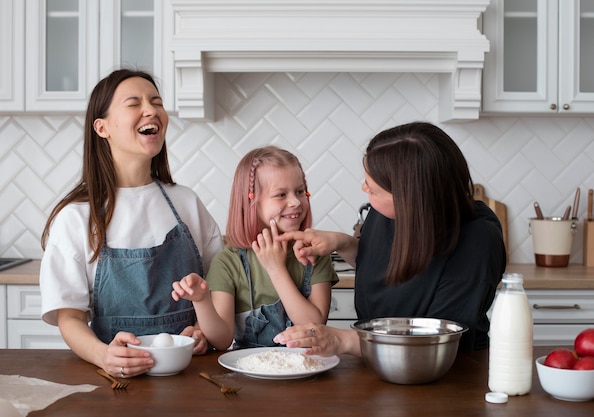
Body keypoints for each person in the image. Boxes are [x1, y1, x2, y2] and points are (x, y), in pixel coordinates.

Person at [39, 69, 224, 377]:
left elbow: (217, 291)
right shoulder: (76, 217)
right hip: (116, 378)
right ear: (102, 128)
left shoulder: (187, 202)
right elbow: (69, 318)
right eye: (134, 103)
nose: (151, 110)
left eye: (156, 102)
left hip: (191, 376)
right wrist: (103, 355)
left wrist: (203, 330)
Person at [273, 121, 506, 356]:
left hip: (447, 376)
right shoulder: (387, 213)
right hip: (379, 363)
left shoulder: (477, 240)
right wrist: (343, 243)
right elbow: (387, 266)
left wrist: (344, 340)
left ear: (411, 198)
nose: (364, 188)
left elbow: (438, 344)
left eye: (374, 190)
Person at [172, 146, 339, 350]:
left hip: (307, 371)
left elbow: (314, 325)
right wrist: (201, 300)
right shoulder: (229, 263)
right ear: (250, 202)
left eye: (300, 191)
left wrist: (276, 269)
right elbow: (222, 341)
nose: (295, 201)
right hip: (248, 375)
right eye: (281, 194)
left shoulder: (315, 254)